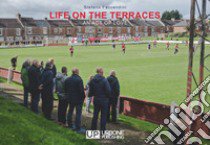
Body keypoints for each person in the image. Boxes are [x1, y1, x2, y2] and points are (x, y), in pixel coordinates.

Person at [65, 68, 85, 132]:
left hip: (70, 98)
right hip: (78, 99)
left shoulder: (67, 79)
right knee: (78, 113)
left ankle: (69, 124)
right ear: (77, 72)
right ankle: (77, 127)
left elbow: (65, 89)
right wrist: (83, 97)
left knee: (70, 111)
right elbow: (81, 91)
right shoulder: (79, 80)